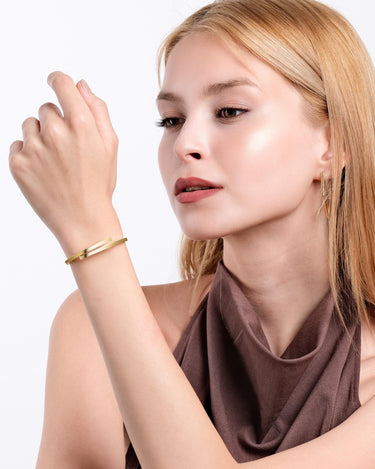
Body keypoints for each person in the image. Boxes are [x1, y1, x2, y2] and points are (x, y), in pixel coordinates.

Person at [9, 0, 375, 467]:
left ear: (334, 143)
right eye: (172, 120)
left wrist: (91, 233)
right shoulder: (89, 327)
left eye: (229, 111)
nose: (185, 144)